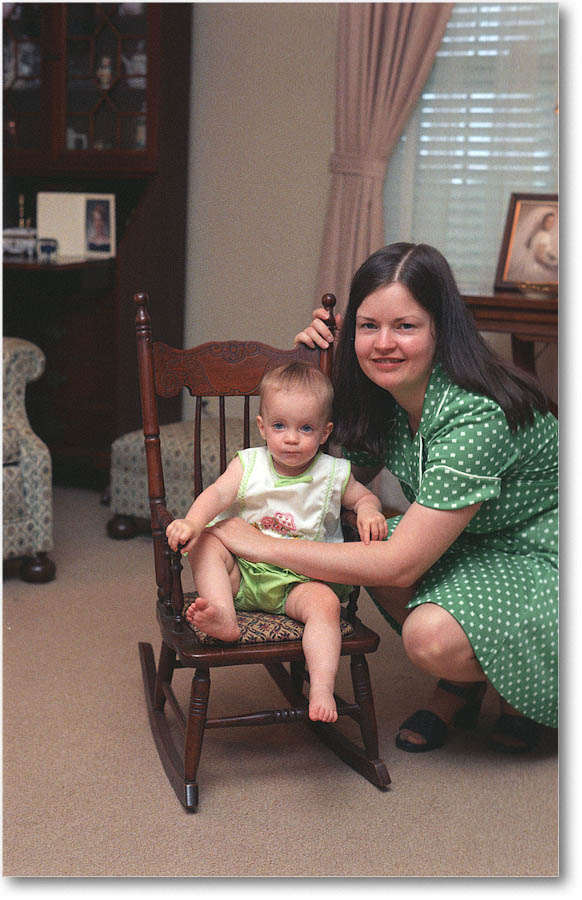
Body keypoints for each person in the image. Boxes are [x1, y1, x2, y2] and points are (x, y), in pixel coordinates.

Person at [207, 242, 558, 754]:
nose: (383, 344)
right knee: (363, 532)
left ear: (441, 326)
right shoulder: (388, 394)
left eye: (406, 327)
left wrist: (259, 545)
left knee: (427, 633)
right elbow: (323, 475)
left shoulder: (476, 414)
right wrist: (320, 369)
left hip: (546, 553)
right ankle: (464, 684)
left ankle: (518, 690)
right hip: (477, 541)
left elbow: (397, 565)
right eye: (368, 326)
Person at [166, 361, 388, 724]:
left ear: (324, 432)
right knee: (206, 542)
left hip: (300, 582)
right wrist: (193, 521)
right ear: (262, 427)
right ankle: (223, 614)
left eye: (305, 428)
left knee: (326, 605)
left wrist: (368, 511)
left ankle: (320, 686)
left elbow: (364, 498)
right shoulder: (249, 464)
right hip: (243, 574)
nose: (290, 438)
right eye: (280, 426)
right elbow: (218, 493)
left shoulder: (332, 473)